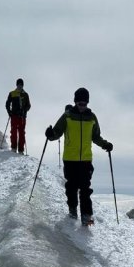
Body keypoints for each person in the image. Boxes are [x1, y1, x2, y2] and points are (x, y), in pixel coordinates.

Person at [45, 87, 112, 225]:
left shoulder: (92, 117)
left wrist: (105, 144)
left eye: (85, 103)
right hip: (70, 158)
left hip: (86, 159)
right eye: (80, 103)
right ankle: (72, 209)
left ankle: (86, 215)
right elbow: (57, 132)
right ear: (75, 102)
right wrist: (50, 135)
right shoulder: (67, 116)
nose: (82, 106)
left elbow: (96, 136)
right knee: (71, 186)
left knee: (85, 188)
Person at [5, 78, 31, 154]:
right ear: (17, 85)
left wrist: (24, 111)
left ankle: (21, 150)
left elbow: (28, 105)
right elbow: (7, 104)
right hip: (14, 116)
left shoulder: (25, 94)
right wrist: (9, 112)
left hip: (22, 117)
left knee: (22, 133)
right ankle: (13, 148)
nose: (20, 86)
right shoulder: (12, 93)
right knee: (13, 132)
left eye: (21, 85)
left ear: (23, 85)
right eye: (19, 84)